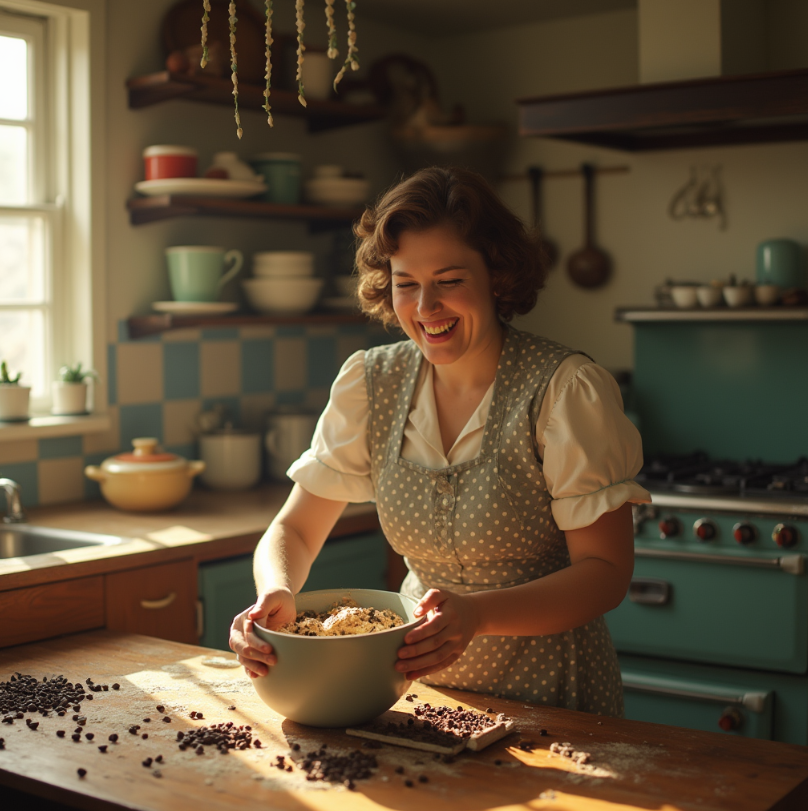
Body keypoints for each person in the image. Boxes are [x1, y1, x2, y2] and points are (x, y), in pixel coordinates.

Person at [229, 166, 651, 716]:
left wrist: (477, 615)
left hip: (553, 698)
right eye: (407, 284)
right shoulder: (369, 384)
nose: (426, 308)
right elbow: (296, 529)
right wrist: (275, 592)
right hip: (414, 694)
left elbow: (605, 575)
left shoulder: (565, 390)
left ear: (496, 277)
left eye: (449, 281)